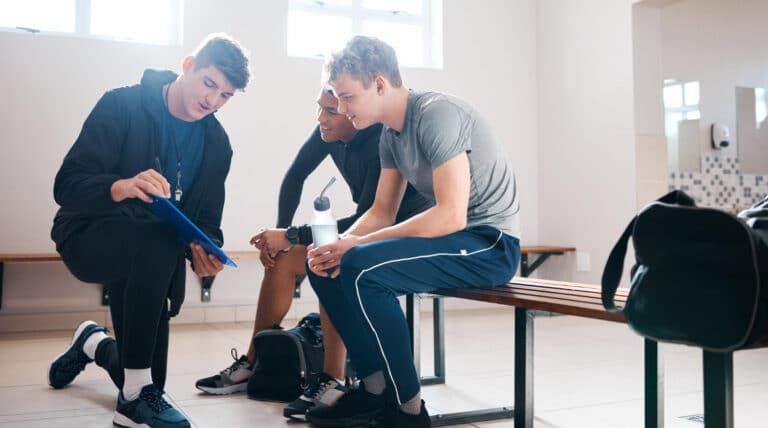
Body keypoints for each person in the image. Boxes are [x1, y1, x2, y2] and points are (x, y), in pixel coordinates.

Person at [303, 36, 522, 428]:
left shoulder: (437, 114)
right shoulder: (391, 134)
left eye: (347, 97)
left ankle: (407, 412)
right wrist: (337, 245)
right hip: (454, 239)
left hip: (489, 243)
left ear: (380, 84)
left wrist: (357, 244)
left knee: (364, 269)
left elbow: (451, 216)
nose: (340, 107)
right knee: (326, 266)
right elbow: (381, 212)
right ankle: (372, 391)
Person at [48, 33, 250, 428]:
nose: (212, 101)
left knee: (140, 371)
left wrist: (207, 254)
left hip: (154, 261)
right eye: (210, 83)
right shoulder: (121, 105)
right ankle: (134, 401)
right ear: (188, 64)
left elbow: (207, 219)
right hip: (89, 235)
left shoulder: (217, 144)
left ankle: (94, 344)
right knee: (143, 388)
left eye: (226, 96)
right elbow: (66, 186)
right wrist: (120, 187)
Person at [194, 87, 431, 421]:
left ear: (354, 111)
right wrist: (280, 236)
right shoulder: (329, 129)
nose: (321, 117)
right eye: (319, 107)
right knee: (284, 259)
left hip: (400, 236)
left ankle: (332, 378)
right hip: (366, 231)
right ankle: (252, 362)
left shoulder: (381, 141)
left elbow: (369, 219)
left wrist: (290, 235)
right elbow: (295, 176)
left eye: (331, 110)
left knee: (327, 259)